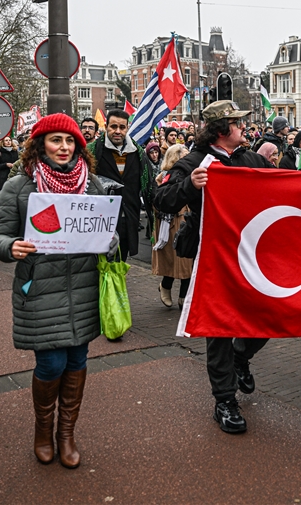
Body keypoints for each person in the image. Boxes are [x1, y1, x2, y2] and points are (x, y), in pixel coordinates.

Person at [0, 113, 108, 468]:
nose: (64, 147)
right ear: (40, 144)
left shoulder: (92, 185)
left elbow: (108, 230)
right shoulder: (19, 186)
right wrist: (11, 247)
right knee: (51, 361)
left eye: (70, 141)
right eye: (56, 140)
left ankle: (66, 433)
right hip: (39, 287)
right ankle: (44, 429)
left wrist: (108, 239)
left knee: (77, 359)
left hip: (83, 287)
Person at [152, 100, 277, 433]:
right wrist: (189, 185)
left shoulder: (251, 160)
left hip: (252, 256)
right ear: (222, 130)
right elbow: (161, 199)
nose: (244, 128)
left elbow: (284, 187)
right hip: (214, 258)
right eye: (237, 124)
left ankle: (242, 355)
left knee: (268, 315)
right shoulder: (194, 163)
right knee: (219, 328)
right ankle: (225, 401)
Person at [87, 110, 149, 262]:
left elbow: (148, 186)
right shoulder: (92, 152)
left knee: (120, 264)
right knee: (99, 265)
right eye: (113, 126)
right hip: (100, 219)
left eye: (122, 127)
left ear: (127, 128)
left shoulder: (138, 154)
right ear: (106, 126)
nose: (118, 131)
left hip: (128, 219)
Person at [152, 144, 193, 308]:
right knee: (173, 260)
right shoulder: (164, 178)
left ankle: (184, 296)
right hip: (170, 224)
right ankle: (165, 286)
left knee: (187, 262)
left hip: (189, 220)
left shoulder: (193, 175)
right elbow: (158, 202)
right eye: (185, 156)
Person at [0, 135, 20, 200]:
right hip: (3, 177)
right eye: (6, 140)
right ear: (3, 142)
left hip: (15, 176)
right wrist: (6, 165)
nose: (8, 142)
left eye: (9, 140)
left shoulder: (15, 152)